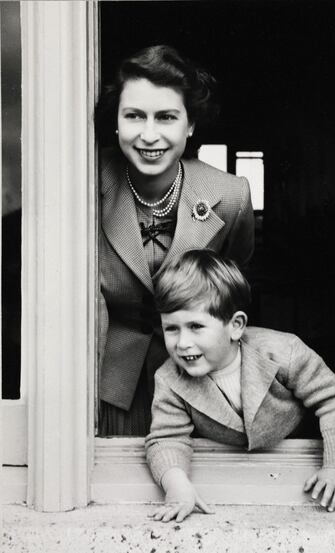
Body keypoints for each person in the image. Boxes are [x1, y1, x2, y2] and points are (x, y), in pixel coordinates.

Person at [96, 45, 255, 436]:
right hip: (108, 382)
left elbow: (233, 288)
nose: (150, 135)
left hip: (200, 381)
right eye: (134, 116)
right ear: (116, 122)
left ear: (190, 125)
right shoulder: (87, 181)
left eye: (166, 117)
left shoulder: (231, 195)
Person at [145, 249, 335, 521]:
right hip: (234, 474)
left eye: (196, 326)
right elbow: (166, 439)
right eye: (171, 328)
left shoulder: (283, 351)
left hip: (298, 462)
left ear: (236, 326)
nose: (182, 342)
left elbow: (333, 399)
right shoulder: (169, 379)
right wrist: (177, 486)